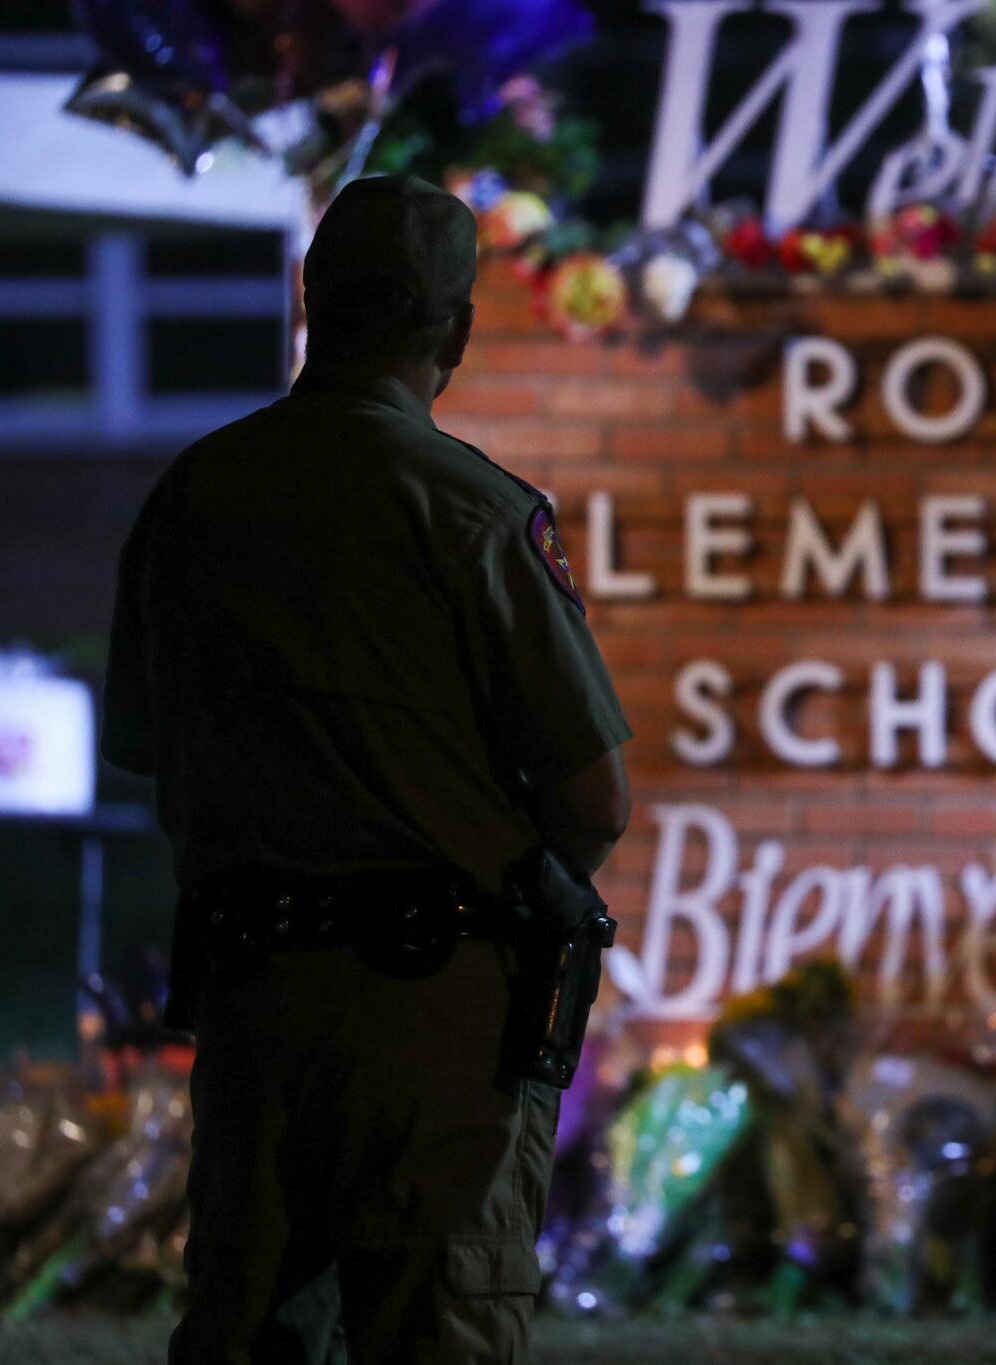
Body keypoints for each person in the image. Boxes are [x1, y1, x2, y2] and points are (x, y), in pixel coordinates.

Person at [102, 174, 632, 1365]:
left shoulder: (195, 497)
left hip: (252, 994)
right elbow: (594, 799)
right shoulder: (474, 514)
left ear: (311, 302)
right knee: (435, 1323)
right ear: (453, 327)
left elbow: (140, 745)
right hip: (435, 1011)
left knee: (250, 1321)